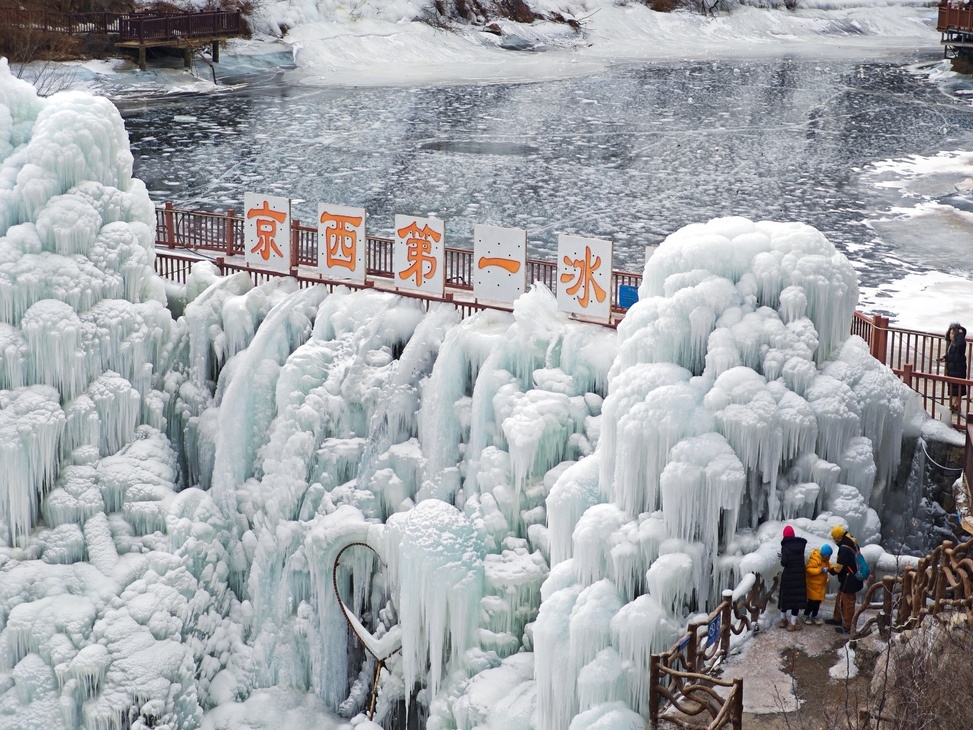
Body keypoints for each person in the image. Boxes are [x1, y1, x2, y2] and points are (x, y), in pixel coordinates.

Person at [826, 525, 864, 635]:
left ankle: (847, 626)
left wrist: (830, 570)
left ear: (838, 537)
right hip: (848, 577)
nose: (833, 539)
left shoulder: (844, 549)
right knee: (840, 598)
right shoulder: (852, 541)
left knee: (848, 602)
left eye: (834, 537)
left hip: (850, 579)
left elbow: (839, 567)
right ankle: (837, 619)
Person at [777, 525, 808, 632]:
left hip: (789, 574)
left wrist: (782, 557)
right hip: (799, 574)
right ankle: (793, 623)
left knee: (786, 596)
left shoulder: (785, 546)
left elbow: (784, 562)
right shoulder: (801, 545)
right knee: (796, 599)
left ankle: (782, 620)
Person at [939, 323, 967, 417]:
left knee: (957, 390)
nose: (950, 335)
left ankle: (956, 407)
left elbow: (960, 346)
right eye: (949, 333)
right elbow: (951, 355)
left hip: (958, 370)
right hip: (952, 370)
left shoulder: (960, 344)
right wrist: (945, 358)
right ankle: (953, 407)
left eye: (952, 333)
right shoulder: (952, 343)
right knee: (952, 390)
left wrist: (960, 334)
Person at [802, 543, 832, 625]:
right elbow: (809, 570)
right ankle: (806, 615)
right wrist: (820, 570)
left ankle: (814, 616)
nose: (829, 558)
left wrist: (832, 568)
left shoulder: (825, 560)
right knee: (812, 602)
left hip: (820, 585)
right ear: (824, 555)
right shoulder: (815, 559)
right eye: (828, 556)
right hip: (813, 585)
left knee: (818, 602)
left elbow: (829, 565)